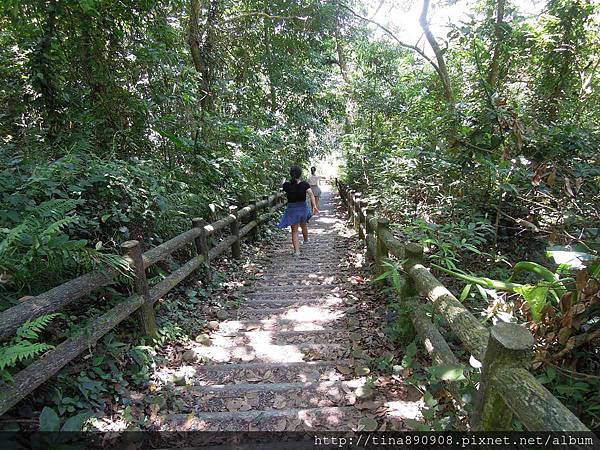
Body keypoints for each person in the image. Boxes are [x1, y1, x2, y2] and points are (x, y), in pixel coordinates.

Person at [278, 166, 319, 256]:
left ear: (291, 174)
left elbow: (281, 186)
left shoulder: (287, 185)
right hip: (303, 208)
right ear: (300, 174)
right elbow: (311, 194)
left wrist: (283, 181)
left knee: (294, 231)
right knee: (303, 224)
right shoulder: (304, 184)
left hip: (292, 210)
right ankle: (306, 240)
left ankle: (297, 251)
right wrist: (314, 206)